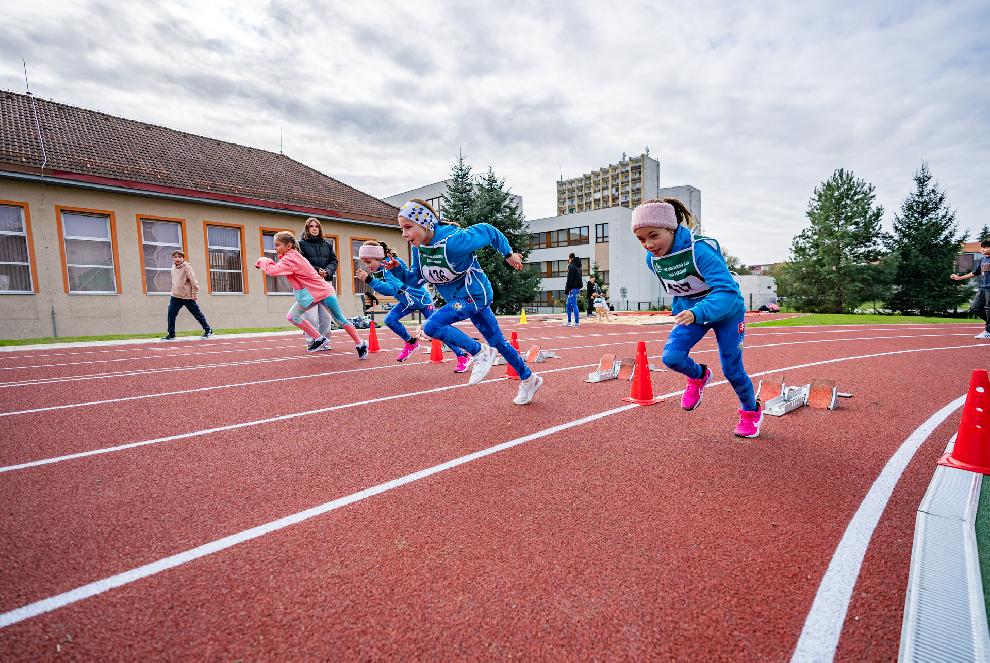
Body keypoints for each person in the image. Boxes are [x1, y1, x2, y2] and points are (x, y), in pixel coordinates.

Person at [388, 199, 543, 405]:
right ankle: (529, 379)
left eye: (408, 227)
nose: (404, 234)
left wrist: (508, 254)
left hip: (475, 295)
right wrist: (396, 270)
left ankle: (480, 352)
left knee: (432, 325)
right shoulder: (419, 249)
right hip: (459, 299)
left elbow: (488, 231)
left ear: (425, 224)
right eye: (402, 229)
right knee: (498, 342)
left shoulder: (454, 241)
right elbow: (415, 280)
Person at [632, 198, 763, 438]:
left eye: (654, 235)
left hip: (727, 311)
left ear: (671, 228)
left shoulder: (700, 250)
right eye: (641, 239)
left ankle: (751, 411)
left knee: (732, 371)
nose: (648, 245)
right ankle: (699, 375)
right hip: (693, 313)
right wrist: (686, 310)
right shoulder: (652, 260)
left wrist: (696, 312)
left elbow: (727, 292)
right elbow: (679, 286)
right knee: (671, 357)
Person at [356, 240, 472, 371]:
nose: (367, 266)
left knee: (439, 330)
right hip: (407, 302)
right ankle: (411, 342)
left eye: (368, 262)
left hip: (422, 301)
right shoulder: (380, 269)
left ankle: (463, 356)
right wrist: (373, 279)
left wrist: (369, 279)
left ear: (378, 257)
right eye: (364, 262)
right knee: (389, 320)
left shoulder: (390, 266)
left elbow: (391, 289)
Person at [254, 231, 369, 357]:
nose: (275, 248)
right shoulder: (292, 256)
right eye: (274, 245)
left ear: (288, 246)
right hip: (311, 295)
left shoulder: (290, 258)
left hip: (324, 292)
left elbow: (273, 271)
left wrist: (263, 260)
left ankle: (361, 344)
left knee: (339, 319)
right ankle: (319, 339)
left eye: (277, 245)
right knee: (292, 316)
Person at [298, 217, 339, 346]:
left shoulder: (327, 244)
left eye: (316, 226)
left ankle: (325, 342)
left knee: (326, 315)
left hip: (325, 282)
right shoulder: (301, 244)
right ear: (307, 229)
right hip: (310, 284)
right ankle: (313, 341)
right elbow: (301, 262)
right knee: (311, 315)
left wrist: (327, 271)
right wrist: (317, 270)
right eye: (311, 226)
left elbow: (334, 261)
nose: (314, 228)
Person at [162, 250, 212, 340]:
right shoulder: (173, 267)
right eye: (175, 257)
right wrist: (173, 290)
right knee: (171, 313)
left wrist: (194, 293)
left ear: (183, 258)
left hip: (187, 296)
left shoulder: (187, 267)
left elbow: (194, 281)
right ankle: (171, 334)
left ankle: (208, 330)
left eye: (180, 257)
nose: (177, 259)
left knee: (196, 313)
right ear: (173, 258)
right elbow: (174, 281)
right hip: (175, 296)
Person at [950, 239, 990, 339]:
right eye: (982, 247)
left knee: (988, 309)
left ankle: (988, 331)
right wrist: (960, 278)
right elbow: (975, 272)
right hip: (982, 288)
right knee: (975, 307)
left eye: (985, 247)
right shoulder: (983, 259)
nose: (983, 249)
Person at [564, 253, 583, 327]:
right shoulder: (578, 266)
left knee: (573, 304)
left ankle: (577, 322)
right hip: (576, 287)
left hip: (573, 288)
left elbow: (569, 280)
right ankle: (569, 321)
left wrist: (567, 289)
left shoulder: (571, 266)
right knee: (568, 304)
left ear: (570, 258)